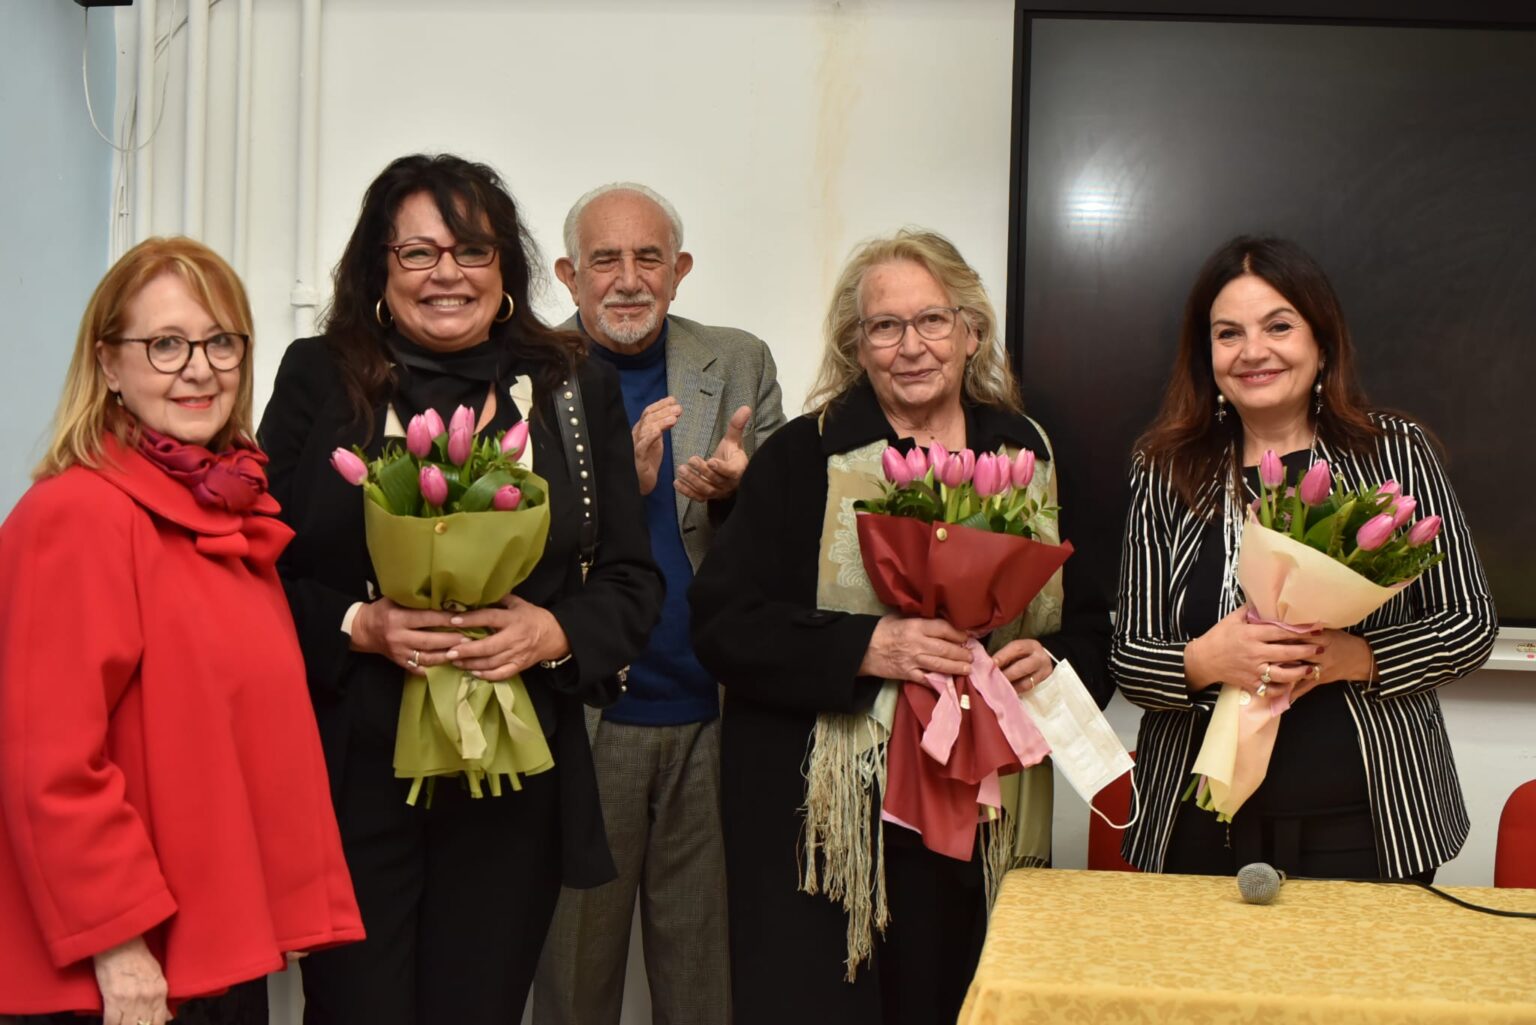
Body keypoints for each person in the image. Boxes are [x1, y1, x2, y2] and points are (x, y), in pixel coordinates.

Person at [258, 154, 663, 1025]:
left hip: (510, 787)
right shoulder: (316, 377)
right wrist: (357, 623)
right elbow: (256, 572)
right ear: (378, 270)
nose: (448, 273)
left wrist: (550, 633)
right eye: (418, 253)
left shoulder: (569, 383)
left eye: (472, 250)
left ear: (506, 271)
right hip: (354, 772)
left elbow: (632, 580)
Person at [689, 229, 1112, 1025]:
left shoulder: (1030, 454)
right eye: (884, 327)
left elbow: (1092, 624)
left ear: (971, 331)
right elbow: (721, 623)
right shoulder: (801, 458)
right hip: (833, 824)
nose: (910, 346)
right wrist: (866, 647)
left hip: (984, 808)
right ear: (857, 344)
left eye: (932, 321)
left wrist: (1050, 661)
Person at [0, 237, 363, 1025]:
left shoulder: (224, 510)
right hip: (120, 970)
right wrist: (118, 947)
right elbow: (50, 765)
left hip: (215, 950)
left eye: (220, 340)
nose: (199, 368)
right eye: (165, 343)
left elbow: (240, 737)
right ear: (108, 363)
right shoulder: (78, 515)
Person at [1109, 234, 1496, 879]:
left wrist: (1356, 657)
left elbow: (1470, 625)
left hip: (1371, 824)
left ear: (1321, 343)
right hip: (1197, 826)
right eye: (1228, 333)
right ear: (1207, 357)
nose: (1253, 351)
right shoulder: (1164, 470)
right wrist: (1205, 660)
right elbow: (1128, 659)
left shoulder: (1393, 454)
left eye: (1278, 326)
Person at [534, 183, 785, 1025]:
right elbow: (504, 554)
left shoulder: (740, 361)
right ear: (570, 275)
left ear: (679, 272)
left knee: (704, 983)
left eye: (649, 258)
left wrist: (736, 498)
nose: (628, 278)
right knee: (575, 980)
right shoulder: (528, 374)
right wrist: (617, 492)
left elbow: (795, 547)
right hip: (583, 721)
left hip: (711, 721)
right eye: (605, 259)